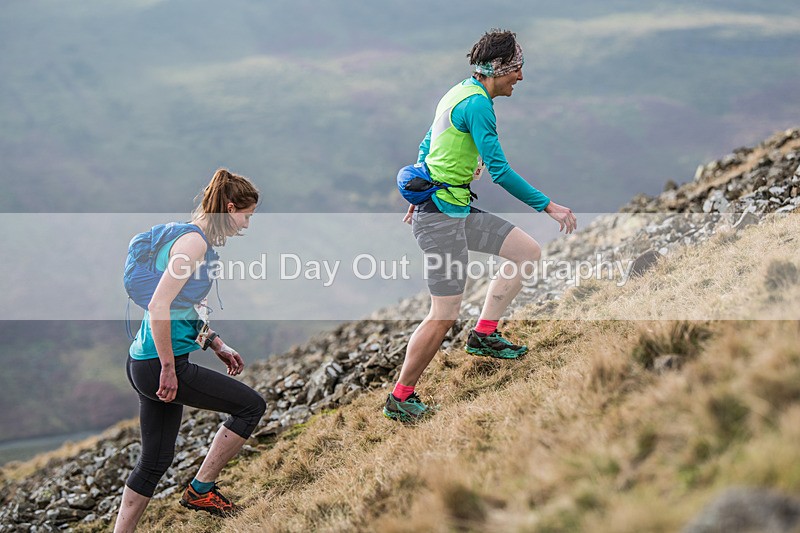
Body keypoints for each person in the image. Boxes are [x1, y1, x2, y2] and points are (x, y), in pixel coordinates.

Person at [384, 30, 577, 422]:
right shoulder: (478, 106)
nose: (520, 77)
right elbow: (500, 171)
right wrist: (548, 206)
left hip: (451, 209)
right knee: (443, 314)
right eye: (516, 69)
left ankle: (484, 334)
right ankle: (400, 398)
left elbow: (428, 141)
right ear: (498, 69)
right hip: (440, 219)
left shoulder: (459, 92)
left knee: (526, 252)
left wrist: (421, 187)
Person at [114, 169, 267, 531]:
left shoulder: (186, 234)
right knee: (251, 407)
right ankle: (201, 489)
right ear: (230, 208)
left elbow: (184, 306)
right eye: (246, 215)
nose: (246, 224)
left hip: (142, 361)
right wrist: (169, 367)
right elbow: (159, 305)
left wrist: (214, 342)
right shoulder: (194, 243)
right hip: (160, 364)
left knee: (154, 461)